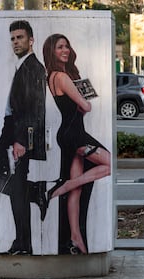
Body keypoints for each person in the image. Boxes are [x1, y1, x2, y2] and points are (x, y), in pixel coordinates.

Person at [0, 20, 47, 255]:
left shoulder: (33, 68)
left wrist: (21, 141)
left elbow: (35, 108)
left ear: (31, 40)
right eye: (13, 38)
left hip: (19, 135)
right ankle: (36, 193)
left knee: (10, 185)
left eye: (20, 37)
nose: (15, 42)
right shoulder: (22, 66)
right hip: (11, 131)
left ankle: (22, 244)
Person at [42, 33, 111, 255]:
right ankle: (60, 188)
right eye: (60, 47)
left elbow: (73, 106)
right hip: (74, 135)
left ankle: (75, 237)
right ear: (51, 52)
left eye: (67, 46)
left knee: (78, 190)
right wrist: (84, 100)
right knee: (109, 164)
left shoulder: (51, 77)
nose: (65, 50)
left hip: (69, 133)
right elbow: (85, 107)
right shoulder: (61, 77)